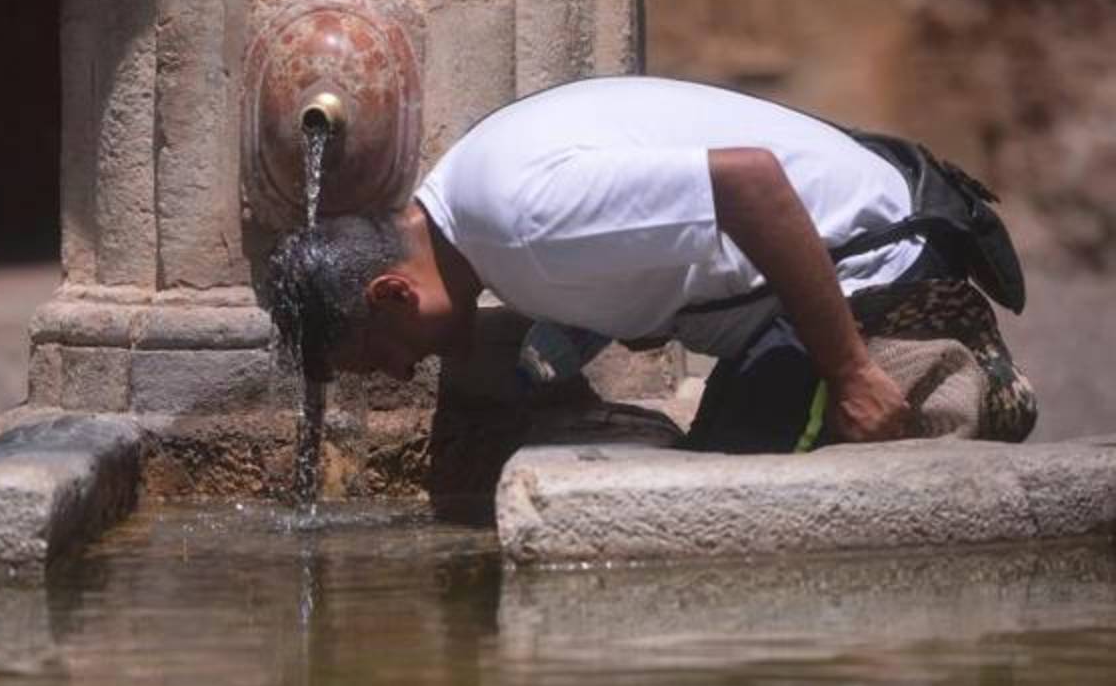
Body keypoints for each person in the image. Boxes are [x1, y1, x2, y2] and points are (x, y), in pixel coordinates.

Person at [266, 76, 1036, 453]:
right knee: (721, 465)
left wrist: (852, 374)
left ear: (394, 291)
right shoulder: (466, 201)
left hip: (880, 269)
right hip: (803, 285)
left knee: (738, 508)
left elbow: (753, 183)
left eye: (378, 356)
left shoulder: (522, 222)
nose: (400, 375)